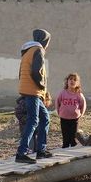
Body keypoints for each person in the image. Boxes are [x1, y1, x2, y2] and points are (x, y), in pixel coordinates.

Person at [15, 29, 53, 164]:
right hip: (33, 91)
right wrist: (42, 86)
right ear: (45, 40)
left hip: (28, 89)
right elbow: (37, 72)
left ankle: (41, 150)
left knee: (45, 117)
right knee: (33, 120)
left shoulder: (27, 51)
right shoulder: (38, 50)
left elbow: (20, 73)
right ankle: (21, 152)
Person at [55, 73, 87, 148]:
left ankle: (73, 144)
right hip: (64, 117)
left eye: (74, 80)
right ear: (67, 81)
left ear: (77, 83)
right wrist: (59, 112)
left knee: (73, 133)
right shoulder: (63, 92)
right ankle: (65, 144)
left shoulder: (79, 94)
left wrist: (81, 114)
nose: (72, 81)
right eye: (70, 79)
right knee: (65, 132)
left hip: (74, 118)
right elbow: (57, 102)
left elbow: (83, 104)